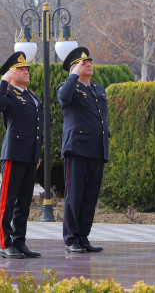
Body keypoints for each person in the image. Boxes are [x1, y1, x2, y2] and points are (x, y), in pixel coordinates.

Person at [0, 52, 43, 259]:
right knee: (8, 201)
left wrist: (37, 154)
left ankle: (19, 242)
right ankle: (6, 243)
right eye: (21, 69)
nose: (26, 71)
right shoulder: (8, 92)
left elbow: (38, 127)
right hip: (14, 153)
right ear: (12, 73)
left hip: (30, 155)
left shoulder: (32, 95)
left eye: (27, 68)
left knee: (24, 202)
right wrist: (3, 81)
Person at [56, 46, 109, 253]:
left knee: (89, 198)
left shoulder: (97, 89)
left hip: (96, 149)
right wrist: (73, 77)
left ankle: (83, 237)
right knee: (74, 196)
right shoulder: (66, 86)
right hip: (77, 149)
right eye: (83, 62)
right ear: (73, 68)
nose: (88, 64)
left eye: (90, 62)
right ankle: (71, 239)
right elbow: (64, 99)